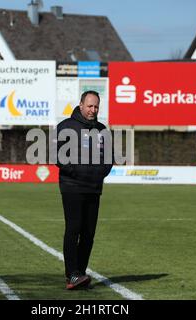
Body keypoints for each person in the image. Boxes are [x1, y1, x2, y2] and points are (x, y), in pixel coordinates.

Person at [56, 90, 113, 290]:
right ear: (81, 105)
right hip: (72, 186)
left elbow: (108, 160)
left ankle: (80, 273)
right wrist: (80, 173)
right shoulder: (65, 127)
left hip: (94, 188)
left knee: (89, 233)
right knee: (74, 229)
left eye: (96, 106)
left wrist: (98, 175)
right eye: (89, 106)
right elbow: (60, 158)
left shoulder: (102, 130)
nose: (93, 110)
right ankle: (71, 274)